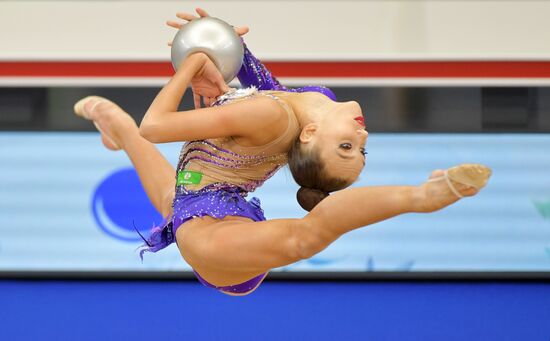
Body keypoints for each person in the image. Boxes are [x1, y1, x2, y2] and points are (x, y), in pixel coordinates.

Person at [74, 9, 491, 296]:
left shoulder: (271, 116)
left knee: (302, 235)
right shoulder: (312, 103)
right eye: (360, 150)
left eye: (345, 147)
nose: (361, 137)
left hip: (212, 239)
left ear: (310, 135)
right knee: (173, 194)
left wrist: (194, 59)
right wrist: (228, 48)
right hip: (210, 202)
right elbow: (268, 87)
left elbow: (157, 126)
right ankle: (118, 127)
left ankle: (424, 196)